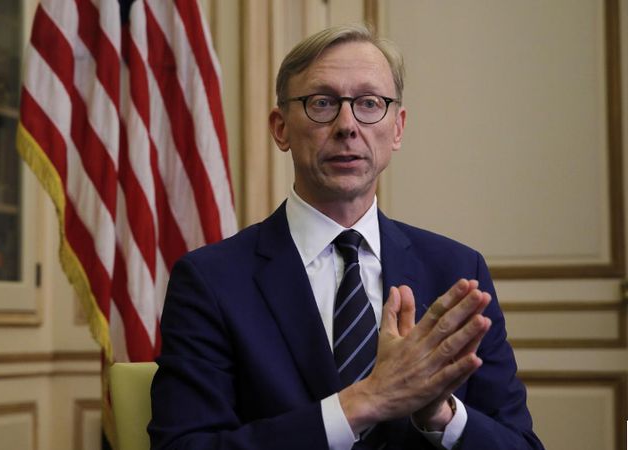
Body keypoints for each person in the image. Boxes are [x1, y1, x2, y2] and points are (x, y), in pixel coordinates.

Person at [149, 24, 544, 450]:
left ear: (397, 128)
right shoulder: (210, 280)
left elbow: (520, 444)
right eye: (322, 103)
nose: (347, 125)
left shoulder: (457, 271)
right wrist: (363, 402)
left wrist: (440, 413)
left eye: (369, 103)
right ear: (281, 128)